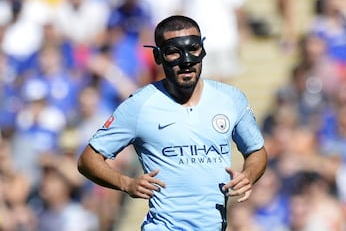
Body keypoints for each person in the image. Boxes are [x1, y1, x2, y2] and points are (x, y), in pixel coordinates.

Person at [77, 15, 267, 231]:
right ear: (158, 57)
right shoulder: (140, 104)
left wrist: (248, 176)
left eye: (193, 49)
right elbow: (88, 160)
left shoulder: (230, 99)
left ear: (203, 50)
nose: (186, 61)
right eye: (174, 52)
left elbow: (256, 151)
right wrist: (126, 183)